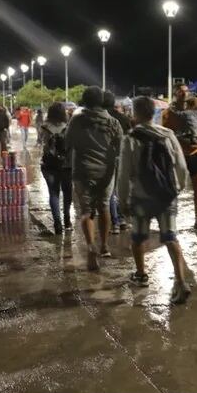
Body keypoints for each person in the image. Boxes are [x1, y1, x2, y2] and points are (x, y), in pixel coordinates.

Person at [118, 96, 192, 304]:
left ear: (135, 113)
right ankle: (181, 281)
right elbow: (182, 166)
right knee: (170, 237)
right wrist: (177, 189)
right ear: (154, 113)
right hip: (166, 196)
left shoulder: (130, 138)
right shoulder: (167, 134)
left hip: (142, 197)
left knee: (138, 237)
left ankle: (141, 275)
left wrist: (122, 200)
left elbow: (123, 174)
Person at [66, 86, 123, 271]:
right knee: (104, 206)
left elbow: (68, 143)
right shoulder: (113, 122)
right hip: (106, 171)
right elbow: (119, 147)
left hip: (82, 171)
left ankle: (91, 247)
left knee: (86, 211)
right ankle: (105, 246)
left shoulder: (76, 120)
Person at [162, 84, 197, 229]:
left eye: (186, 91)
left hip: (195, 152)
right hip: (177, 152)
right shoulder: (169, 112)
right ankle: (170, 218)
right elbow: (166, 133)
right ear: (175, 93)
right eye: (181, 91)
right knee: (173, 186)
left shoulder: (195, 109)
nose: (184, 94)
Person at [39, 102, 73, 234]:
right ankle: (67, 220)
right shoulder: (69, 127)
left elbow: (42, 143)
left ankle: (57, 223)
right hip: (67, 165)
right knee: (67, 193)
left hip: (49, 165)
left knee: (53, 193)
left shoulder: (44, 127)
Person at [104, 91, 132, 234]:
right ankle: (121, 220)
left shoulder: (101, 118)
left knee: (110, 192)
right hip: (122, 157)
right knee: (119, 190)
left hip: (106, 159)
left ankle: (115, 222)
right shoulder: (124, 118)